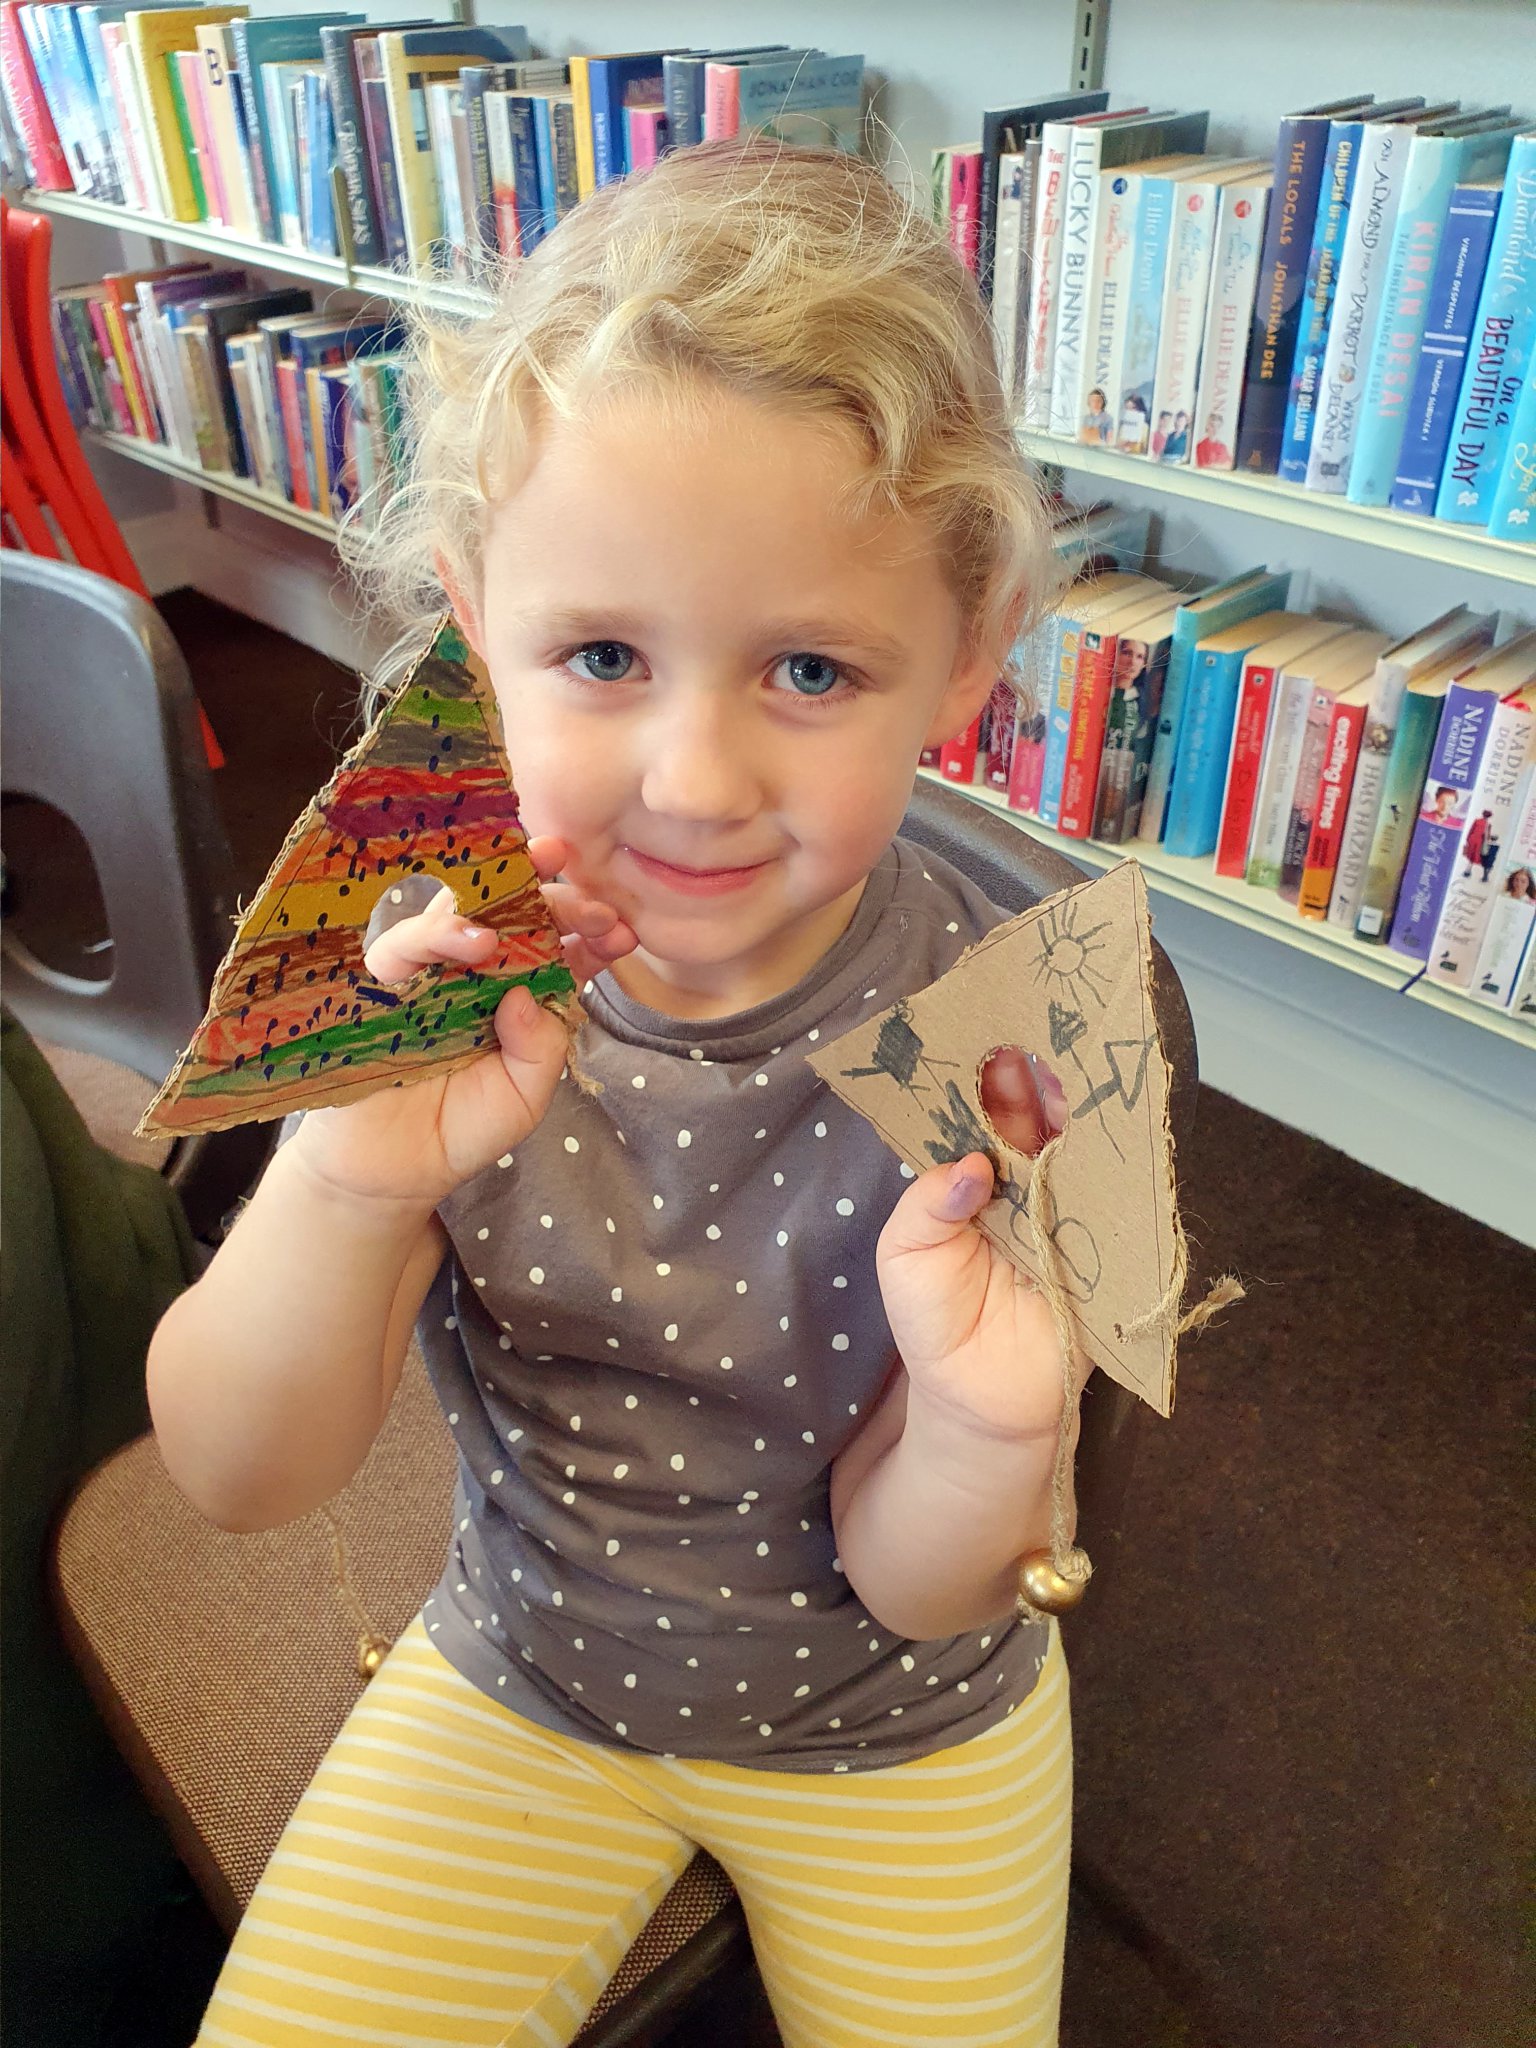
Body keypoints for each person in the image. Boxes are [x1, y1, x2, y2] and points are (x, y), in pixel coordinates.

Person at [147, 139, 1092, 2048]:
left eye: (811, 668)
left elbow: (932, 1590)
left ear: (969, 660)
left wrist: (995, 1438)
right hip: (528, 1677)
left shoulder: (1022, 1019)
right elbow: (239, 1475)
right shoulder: (431, 971)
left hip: (904, 1731)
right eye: (598, 655)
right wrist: (344, 1184)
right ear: (475, 612)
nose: (694, 777)